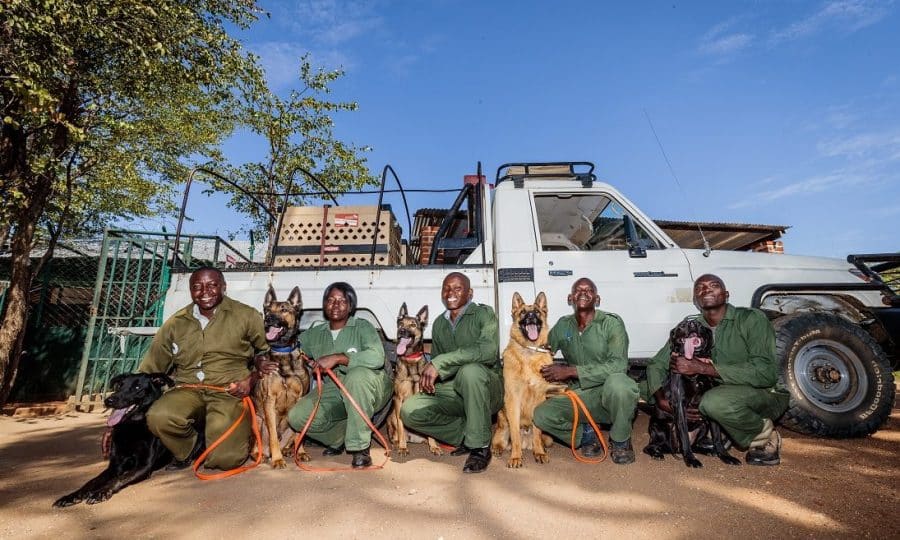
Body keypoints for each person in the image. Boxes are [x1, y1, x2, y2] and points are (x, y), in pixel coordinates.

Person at [644, 273, 789, 466]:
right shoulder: (691, 327)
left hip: (762, 392)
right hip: (721, 393)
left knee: (713, 402)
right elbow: (656, 364)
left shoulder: (751, 319)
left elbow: (766, 373)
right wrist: (661, 400)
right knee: (645, 393)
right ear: (696, 299)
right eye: (700, 288)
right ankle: (722, 428)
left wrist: (704, 368)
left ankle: (762, 434)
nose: (706, 289)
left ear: (726, 294)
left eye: (714, 285)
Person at [140, 266, 269, 470]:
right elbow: (149, 369)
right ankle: (189, 449)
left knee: (225, 460)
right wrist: (119, 416)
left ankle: (227, 438)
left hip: (229, 392)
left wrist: (251, 380)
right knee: (159, 417)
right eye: (197, 287)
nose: (205, 292)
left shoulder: (247, 315)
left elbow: (265, 353)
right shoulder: (175, 323)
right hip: (187, 389)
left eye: (212, 285)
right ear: (191, 290)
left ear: (224, 287)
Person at [399, 272, 502, 473]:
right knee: (410, 410)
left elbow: (488, 352)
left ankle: (480, 447)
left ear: (470, 293)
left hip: (488, 388)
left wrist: (440, 362)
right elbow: (439, 367)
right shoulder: (439, 324)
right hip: (454, 390)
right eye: (446, 288)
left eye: (457, 288)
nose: (451, 293)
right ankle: (468, 434)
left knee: (470, 372)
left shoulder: (484, 314)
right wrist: (431, 380)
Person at [532, 277, 640, 465]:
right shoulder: (563, 325)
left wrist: (571, 371)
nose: (583, 292)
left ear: (597, 299)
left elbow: (618, 366)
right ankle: (587, 435)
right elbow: (542, 349)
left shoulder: (611, 323)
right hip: (582, 396)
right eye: (578, 290)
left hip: (610, 394)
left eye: (589, 290)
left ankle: (621, 440)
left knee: (620, 385)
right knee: (541, 415)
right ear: (570, 298)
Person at [287, 282, 392, 468]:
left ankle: (360, 448)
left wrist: (340, 358)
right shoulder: (316, 333)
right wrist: (266, 358)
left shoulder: (362, 327)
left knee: (356, 377)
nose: (335, 305)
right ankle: (340, 438)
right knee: (297, 416)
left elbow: (377, 357)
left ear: (351, 306)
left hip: (371, 387)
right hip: (336, 390)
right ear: (324, 304)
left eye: (342, 301)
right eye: (330, 300)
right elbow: (291, 349)